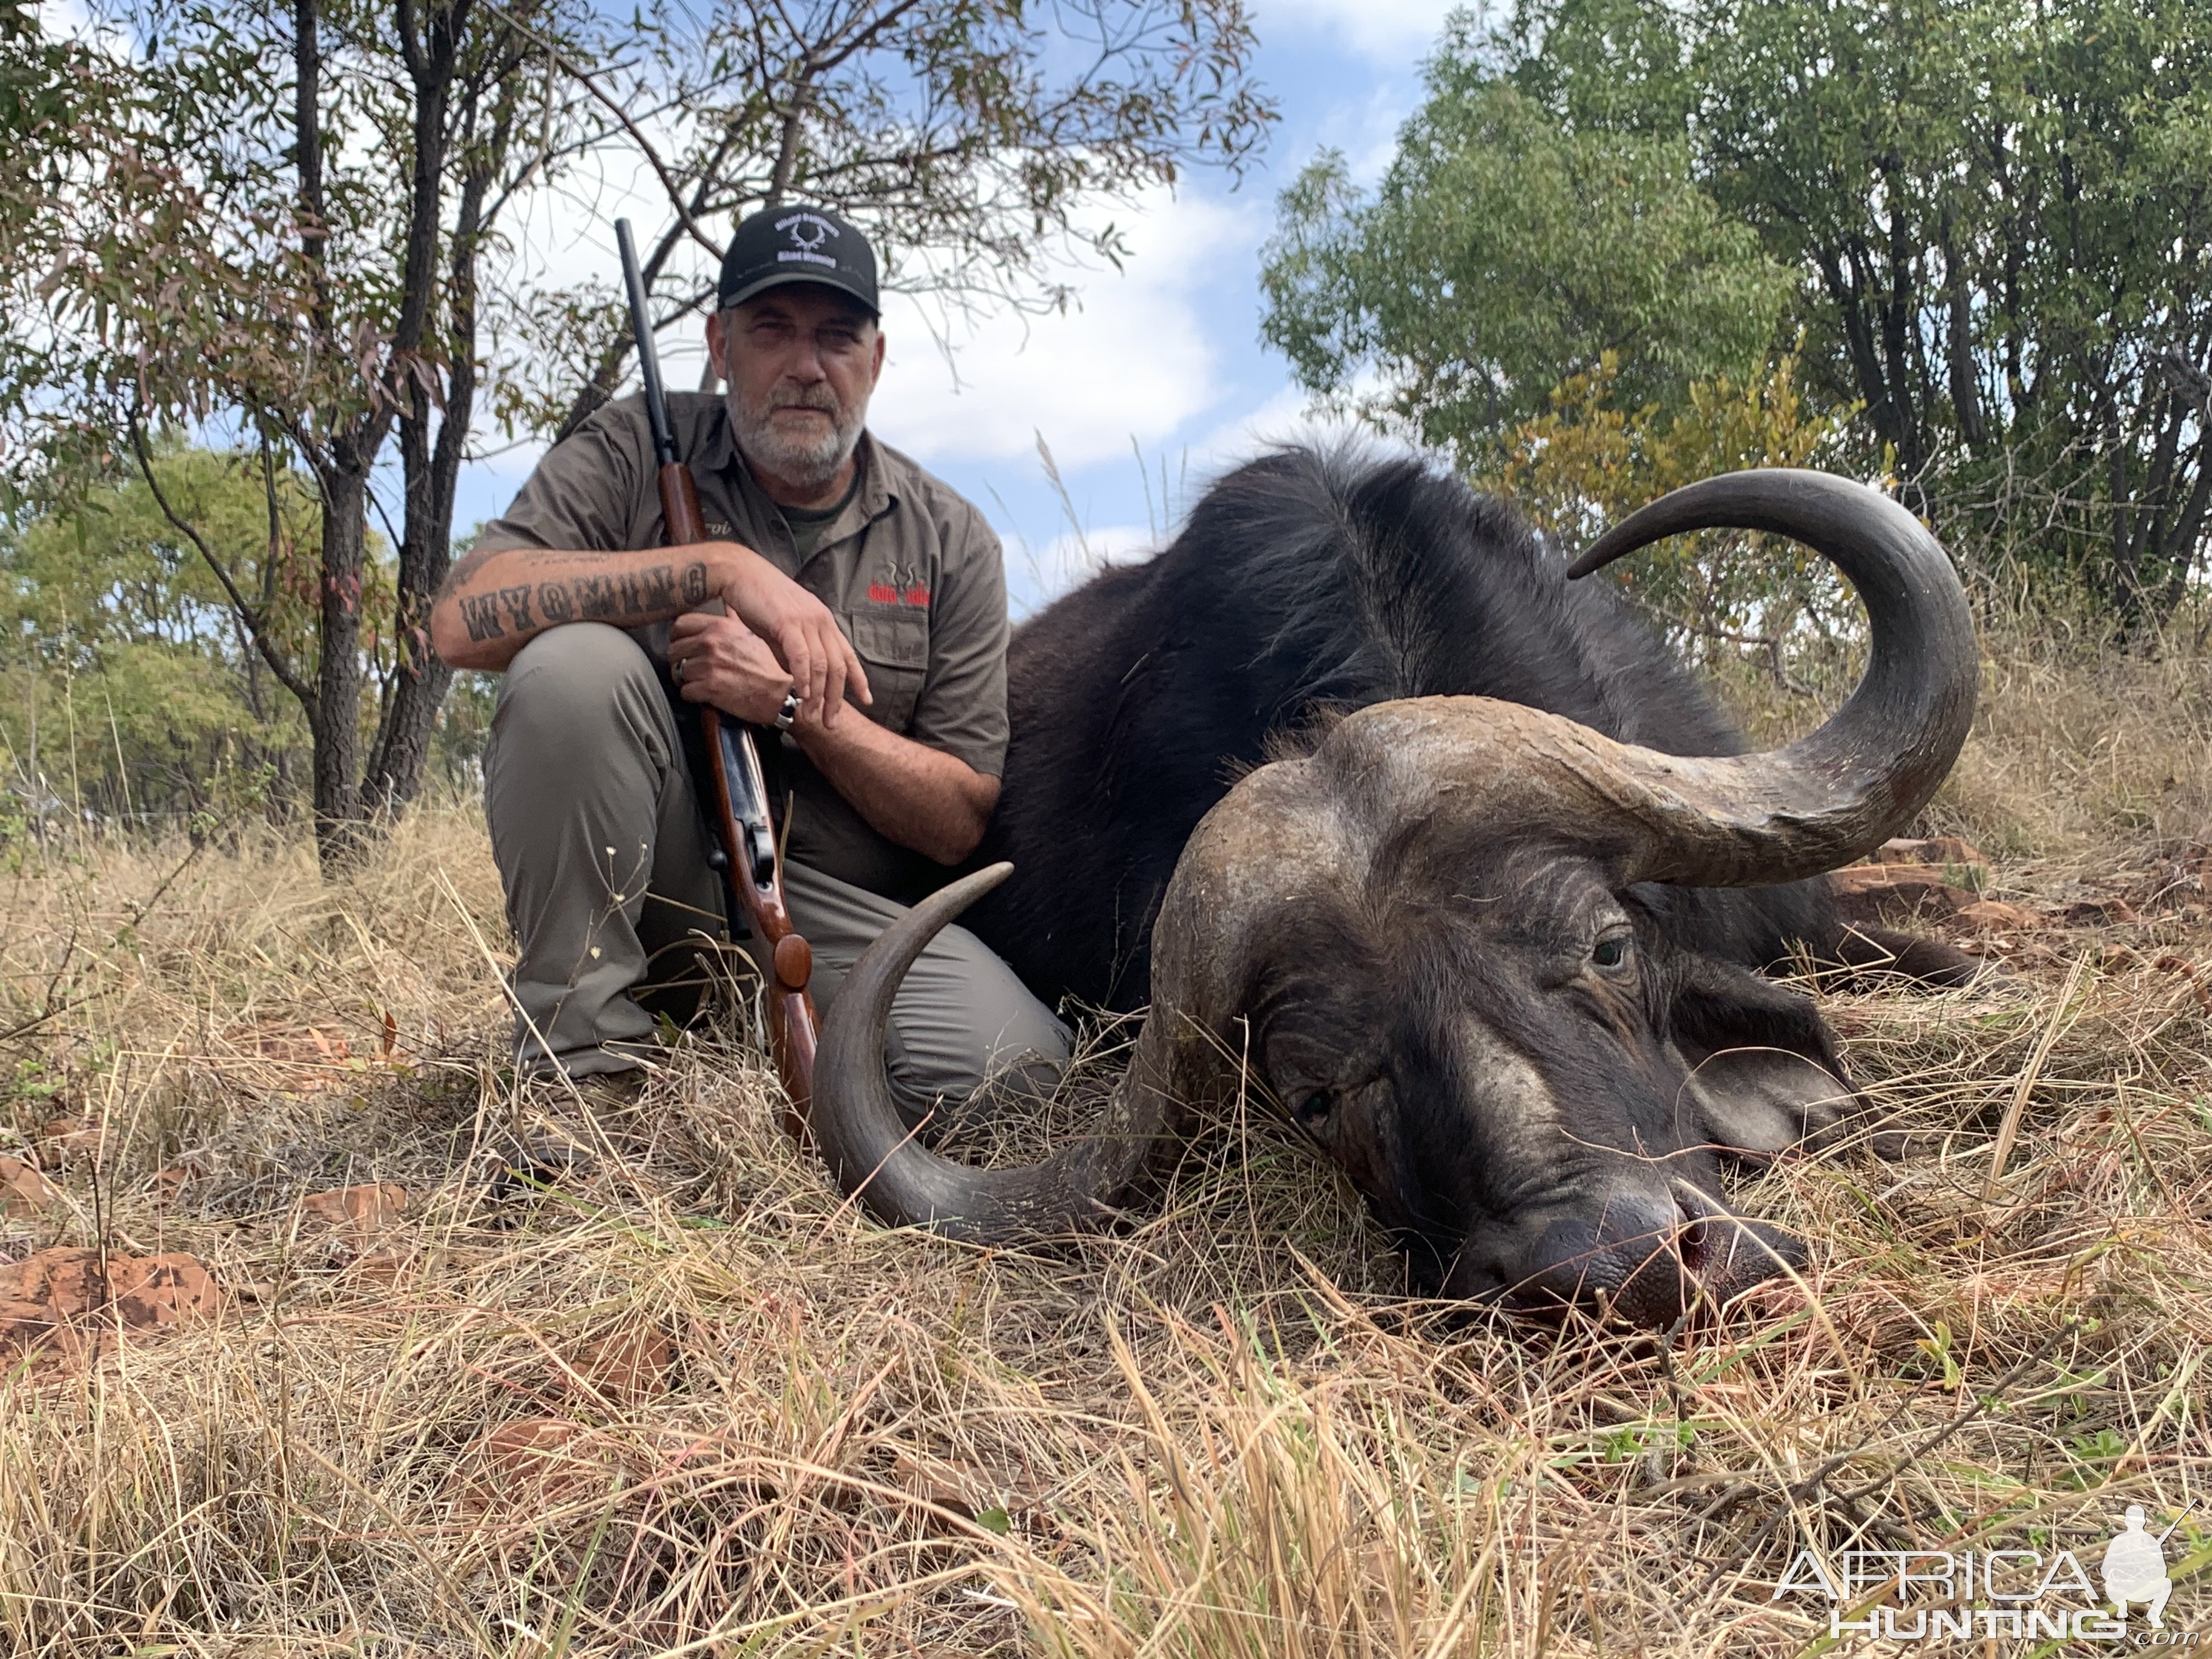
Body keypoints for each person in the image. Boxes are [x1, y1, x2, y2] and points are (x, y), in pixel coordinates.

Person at [430, 203, 1068, 1127]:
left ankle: (754, 1040)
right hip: (658, 881)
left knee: (1023, 1080)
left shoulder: (952, 538)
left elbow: (961, 820)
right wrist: (717, 570)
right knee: (571, 670)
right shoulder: (628, 447)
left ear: (876, 361)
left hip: (840, 913)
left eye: (836, 337)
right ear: (720, 345)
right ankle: (581, 1079)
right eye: (773, 331)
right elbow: (461, 617)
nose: (807, 367)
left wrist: (798, 709)